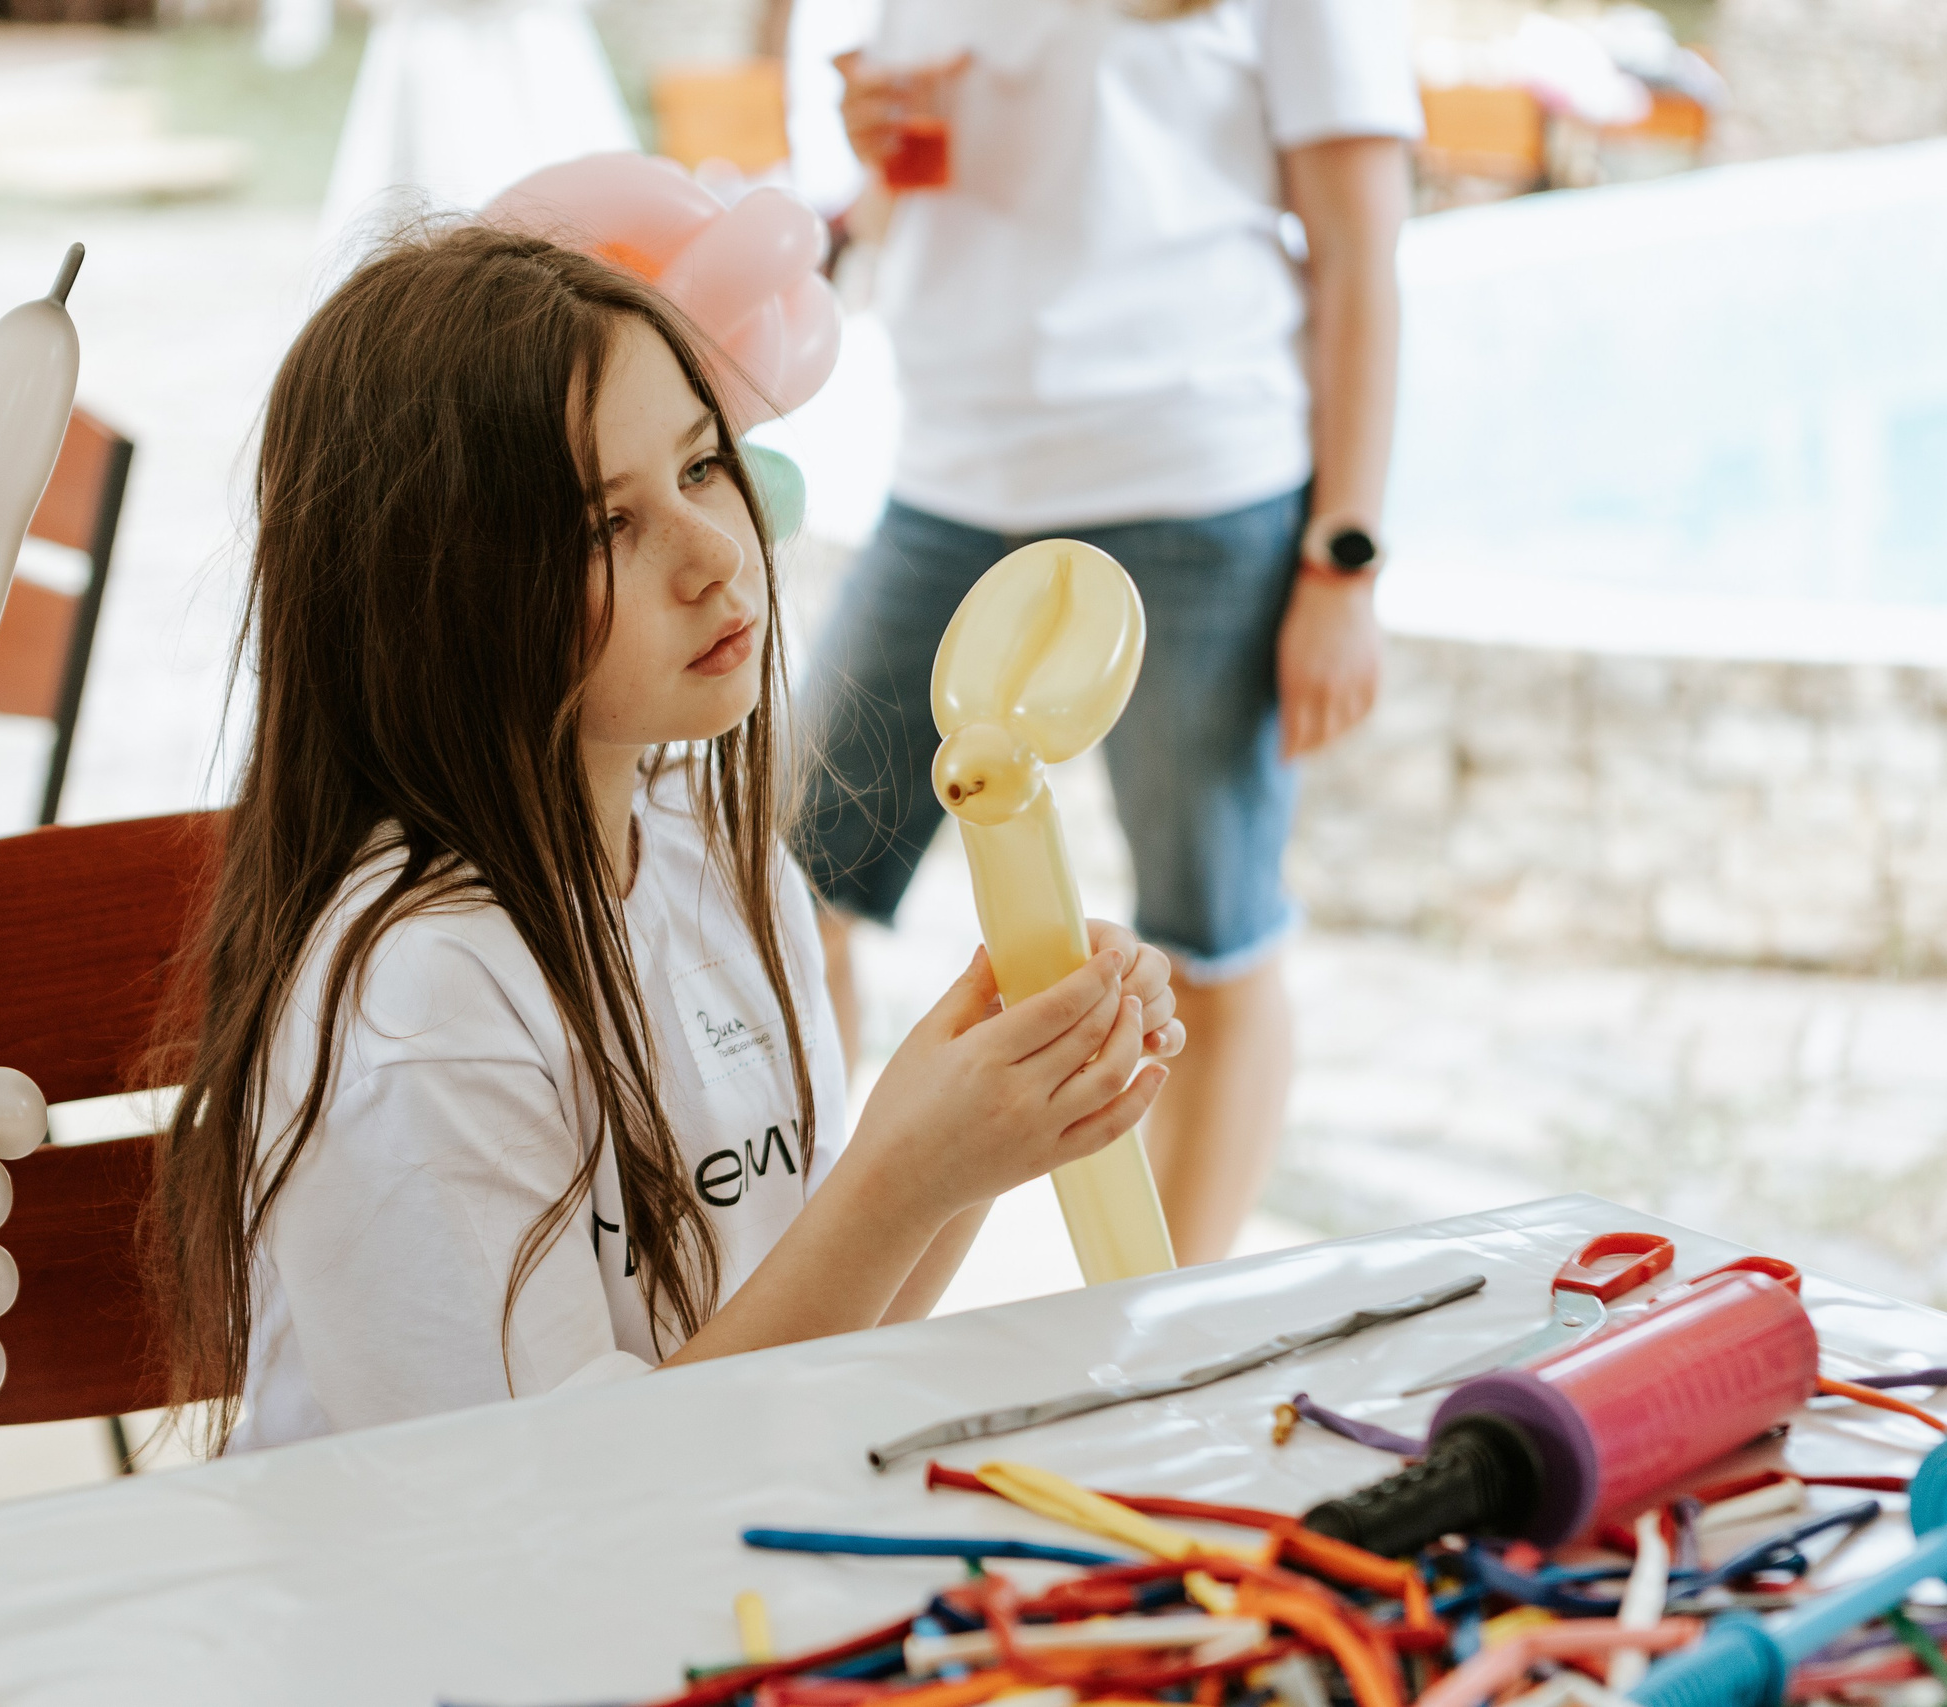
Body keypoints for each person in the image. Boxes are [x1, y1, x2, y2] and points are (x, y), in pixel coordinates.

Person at [146, 225, 1186, 1452]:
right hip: (467, 1613)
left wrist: (977, 1137)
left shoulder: (710, 856)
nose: (712, 557)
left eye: (700, 468)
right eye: (604, 529)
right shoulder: (419, 1004)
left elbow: (814, 1348)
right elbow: (554, 1500)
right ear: (437, 598)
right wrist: (900, 1172)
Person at [792, 0, 1419, 1263]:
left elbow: (1360, 254)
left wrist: (1342, 560)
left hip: (1196, 487)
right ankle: (801, 1286)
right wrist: (867, 156)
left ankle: (1162, 1335)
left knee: (1212, 933)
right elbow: (937, 194)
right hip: (950, 477)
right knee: (793, 896)